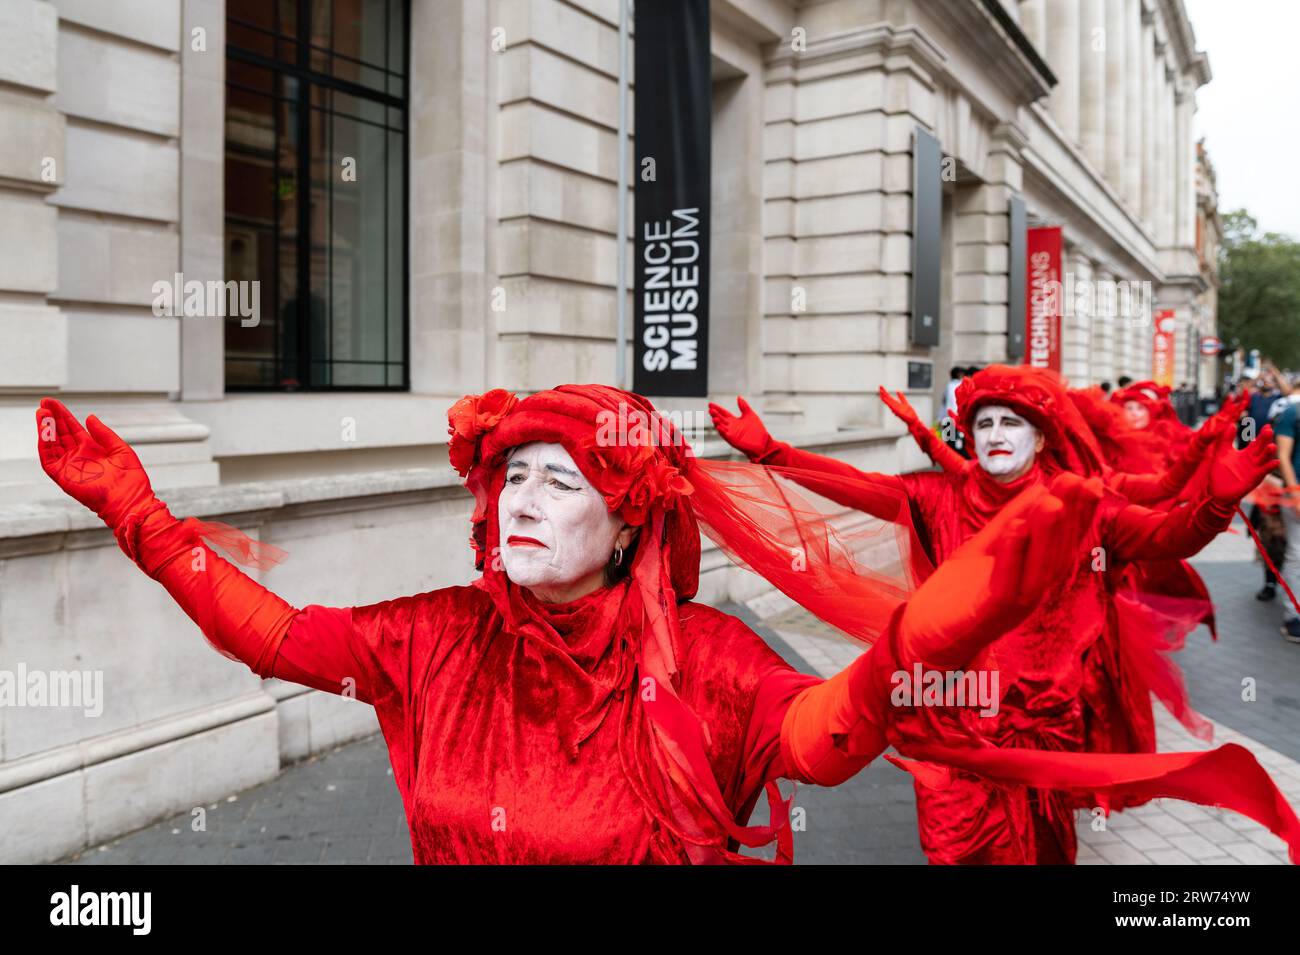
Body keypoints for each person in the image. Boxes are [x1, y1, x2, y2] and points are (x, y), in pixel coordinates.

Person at [34, 387, 1110, 865]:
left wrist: (921, 645)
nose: (522, 498)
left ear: (629, 515)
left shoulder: (710, 655)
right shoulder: (435, 634)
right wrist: (140, 517)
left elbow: (820, 741)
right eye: (511, 476)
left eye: (561, 479)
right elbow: (273, 635)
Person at [710, 365, 1283, 863]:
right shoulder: (938, 498)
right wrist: (772, 452)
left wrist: (1216, 502)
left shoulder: (1082, 503)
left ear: (1038, 439)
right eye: (984, 424)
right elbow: (857, 485)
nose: (996, 434)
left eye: (1011, 423)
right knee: (955, 851)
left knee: (1043, 854)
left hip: (1042, 729)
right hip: (952, 725)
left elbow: (1167, 537)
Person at [1272, 399, 1300, 643]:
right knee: (1297, 554)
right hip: (1297, 493)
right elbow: (1283, 454)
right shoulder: (1293, 412)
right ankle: (1294, 615)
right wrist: (1295, 492)